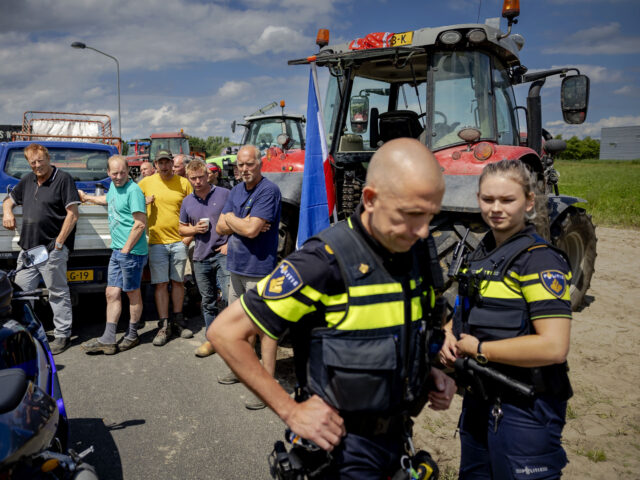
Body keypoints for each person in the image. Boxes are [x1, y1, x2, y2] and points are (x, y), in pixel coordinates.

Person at [209, 138, 456, 477]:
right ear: (370, 199)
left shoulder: (415, 249)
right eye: (412, 214)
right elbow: (225, 332)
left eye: (431, 215)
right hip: (342, 452)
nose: (425, 229)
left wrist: (429, 373)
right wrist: (290, 411)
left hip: (397, 440)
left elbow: (404, 329)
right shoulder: (323, 262)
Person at [439, 159, 573, 479]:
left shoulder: (539, 261)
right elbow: (464, 308)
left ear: (528, 202)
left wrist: (480, 349)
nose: (496, 208)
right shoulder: (480, 253)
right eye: (488, 200)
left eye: (507, 200)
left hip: (525, 406)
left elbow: (554, 347)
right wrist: (447, 332)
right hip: (479, 398)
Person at [215, 145, 281, 410]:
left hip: (259, 270)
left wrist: (234, 220)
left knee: (264, 329)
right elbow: (220, 227)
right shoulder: (235, 191)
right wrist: (238, 221)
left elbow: (253, 231)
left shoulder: (269, 190)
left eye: (249, 164)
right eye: (240, 165)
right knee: (241, 327)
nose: (244, 169)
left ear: (259, 163)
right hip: (236, 267)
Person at [2, 143, 80, 354]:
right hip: (29, 250)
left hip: (51, 248)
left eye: (40, 161)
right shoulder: (28, 180)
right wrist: (7, 212)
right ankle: (28, 333)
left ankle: (63, 335)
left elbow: (72, 213)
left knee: (57, 292)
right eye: (32, 162)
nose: (37, 165)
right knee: (21, 293)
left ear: (48, 158)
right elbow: (9, 200)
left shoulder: (63, 179)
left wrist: (59, 243)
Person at [78, 155, 148, 354]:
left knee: (132, 293)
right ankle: (108, 339)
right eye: (114, 173)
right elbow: (106, 199)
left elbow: (140, 223)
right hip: (118, 251)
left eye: (122, 173)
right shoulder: (114, 189)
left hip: (131, 252)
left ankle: (132, 335)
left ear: (128, 172)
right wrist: (87, 197)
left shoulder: (134, 190)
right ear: (108, 173)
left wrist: (126, 250)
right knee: (111, 293)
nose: (118, 177)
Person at [138, 150, 194, 346]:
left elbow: (194, 209)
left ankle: (178, 319)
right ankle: (164, 325)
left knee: (178, 282)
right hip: (156, 242)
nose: (164, 166)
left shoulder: (184, 183)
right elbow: (133, 207)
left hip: (179, 241)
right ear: (155, 165)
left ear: (172, 164)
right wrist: (143, 202)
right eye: (160, 163)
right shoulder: (145, 183)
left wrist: (188, 237)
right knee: (161, 284)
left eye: (167, 162)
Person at [179, 159, 230, 358]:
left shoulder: (224, 194)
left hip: (222, 254)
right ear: (188, 178)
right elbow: (181, 228)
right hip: (200, 256)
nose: (198, 181)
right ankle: (212, 339)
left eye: (201, 176)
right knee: (208, 301)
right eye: (193, 178)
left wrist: (229, 244)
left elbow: (237, 218)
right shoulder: (187, 201)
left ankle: (229, 338)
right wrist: (193, 229)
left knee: (227, 298)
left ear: (208, 174)